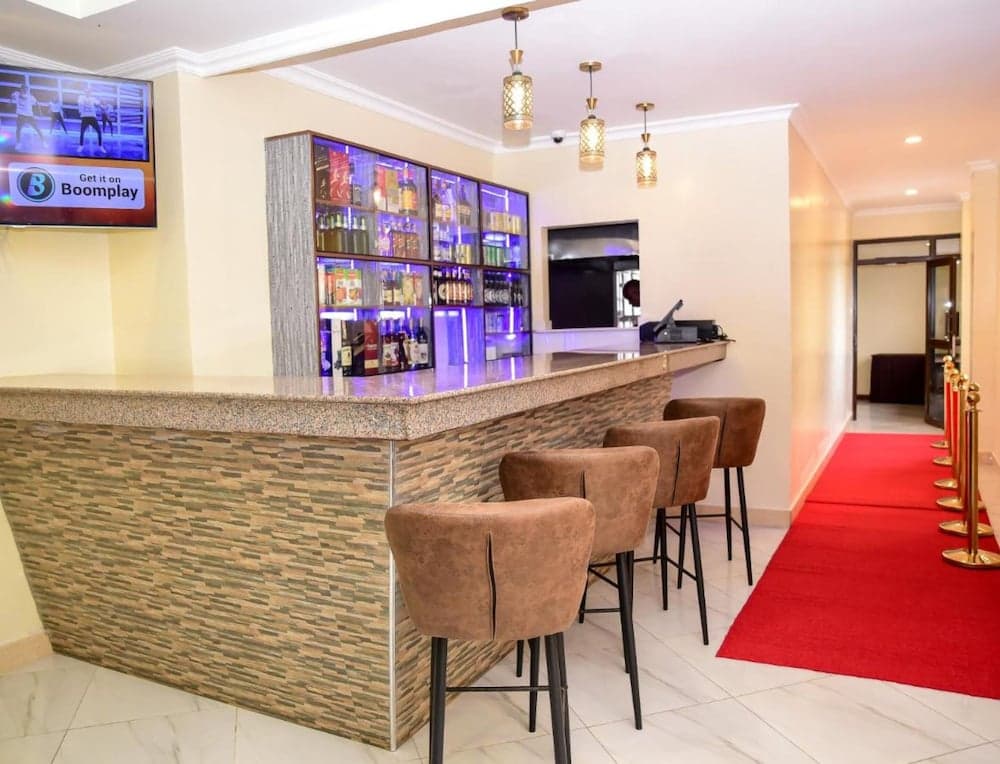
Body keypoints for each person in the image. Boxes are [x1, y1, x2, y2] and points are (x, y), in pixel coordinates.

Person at [12, 85, 44, 150]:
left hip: (30, 116)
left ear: (27, 90)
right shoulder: (16, 94)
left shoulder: (30, 97)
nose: (25, 90)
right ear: (21, 89)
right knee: (18, 130)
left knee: (37, 129)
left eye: (26, 89)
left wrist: (40, 112)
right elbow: (12, 96)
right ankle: (18, 143)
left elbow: (37, 103)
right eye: (23, 89)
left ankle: (44, 142)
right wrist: (10, 101)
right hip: (21, 115)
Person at [77, 84, 105, 154]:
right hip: (85, 117)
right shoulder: (81, 97)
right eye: (87, 91)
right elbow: (80, 104)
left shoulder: (93, 98)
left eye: (89, 91)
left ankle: (100, 146)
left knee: (99, 131)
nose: (88, 92)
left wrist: (102, 106)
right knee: (82, 132)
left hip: (92, 117)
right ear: (85, 91)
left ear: (90, 92)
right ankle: (81, 146)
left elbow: (98, 104)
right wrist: (80, 111)